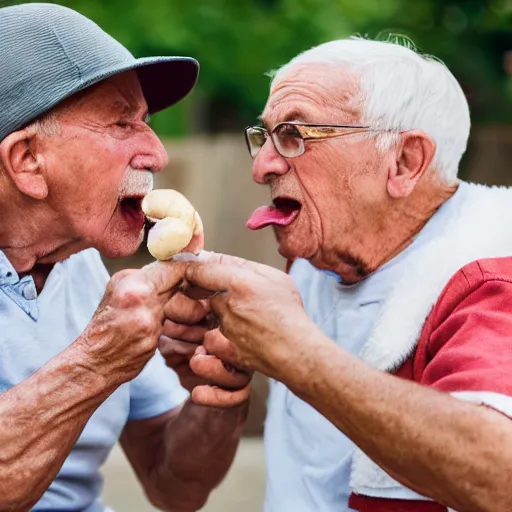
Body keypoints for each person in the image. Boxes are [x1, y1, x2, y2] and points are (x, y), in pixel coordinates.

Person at [163, 38, 512, 511]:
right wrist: (226, 378)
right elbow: (176, 490)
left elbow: (500, 474)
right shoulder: (313, 258)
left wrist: (291, 352)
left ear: (405, 162)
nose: (261, 166)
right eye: (263, 136)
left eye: (295, 135)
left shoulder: (488, 275)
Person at [0, 4, 251, 511]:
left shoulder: (83, 267)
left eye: (147, 122)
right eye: (121, 123)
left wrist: (219, 386)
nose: (157, 154)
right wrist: (97, 361)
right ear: (28, 161)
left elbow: (174, 487)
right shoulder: (107, 332)